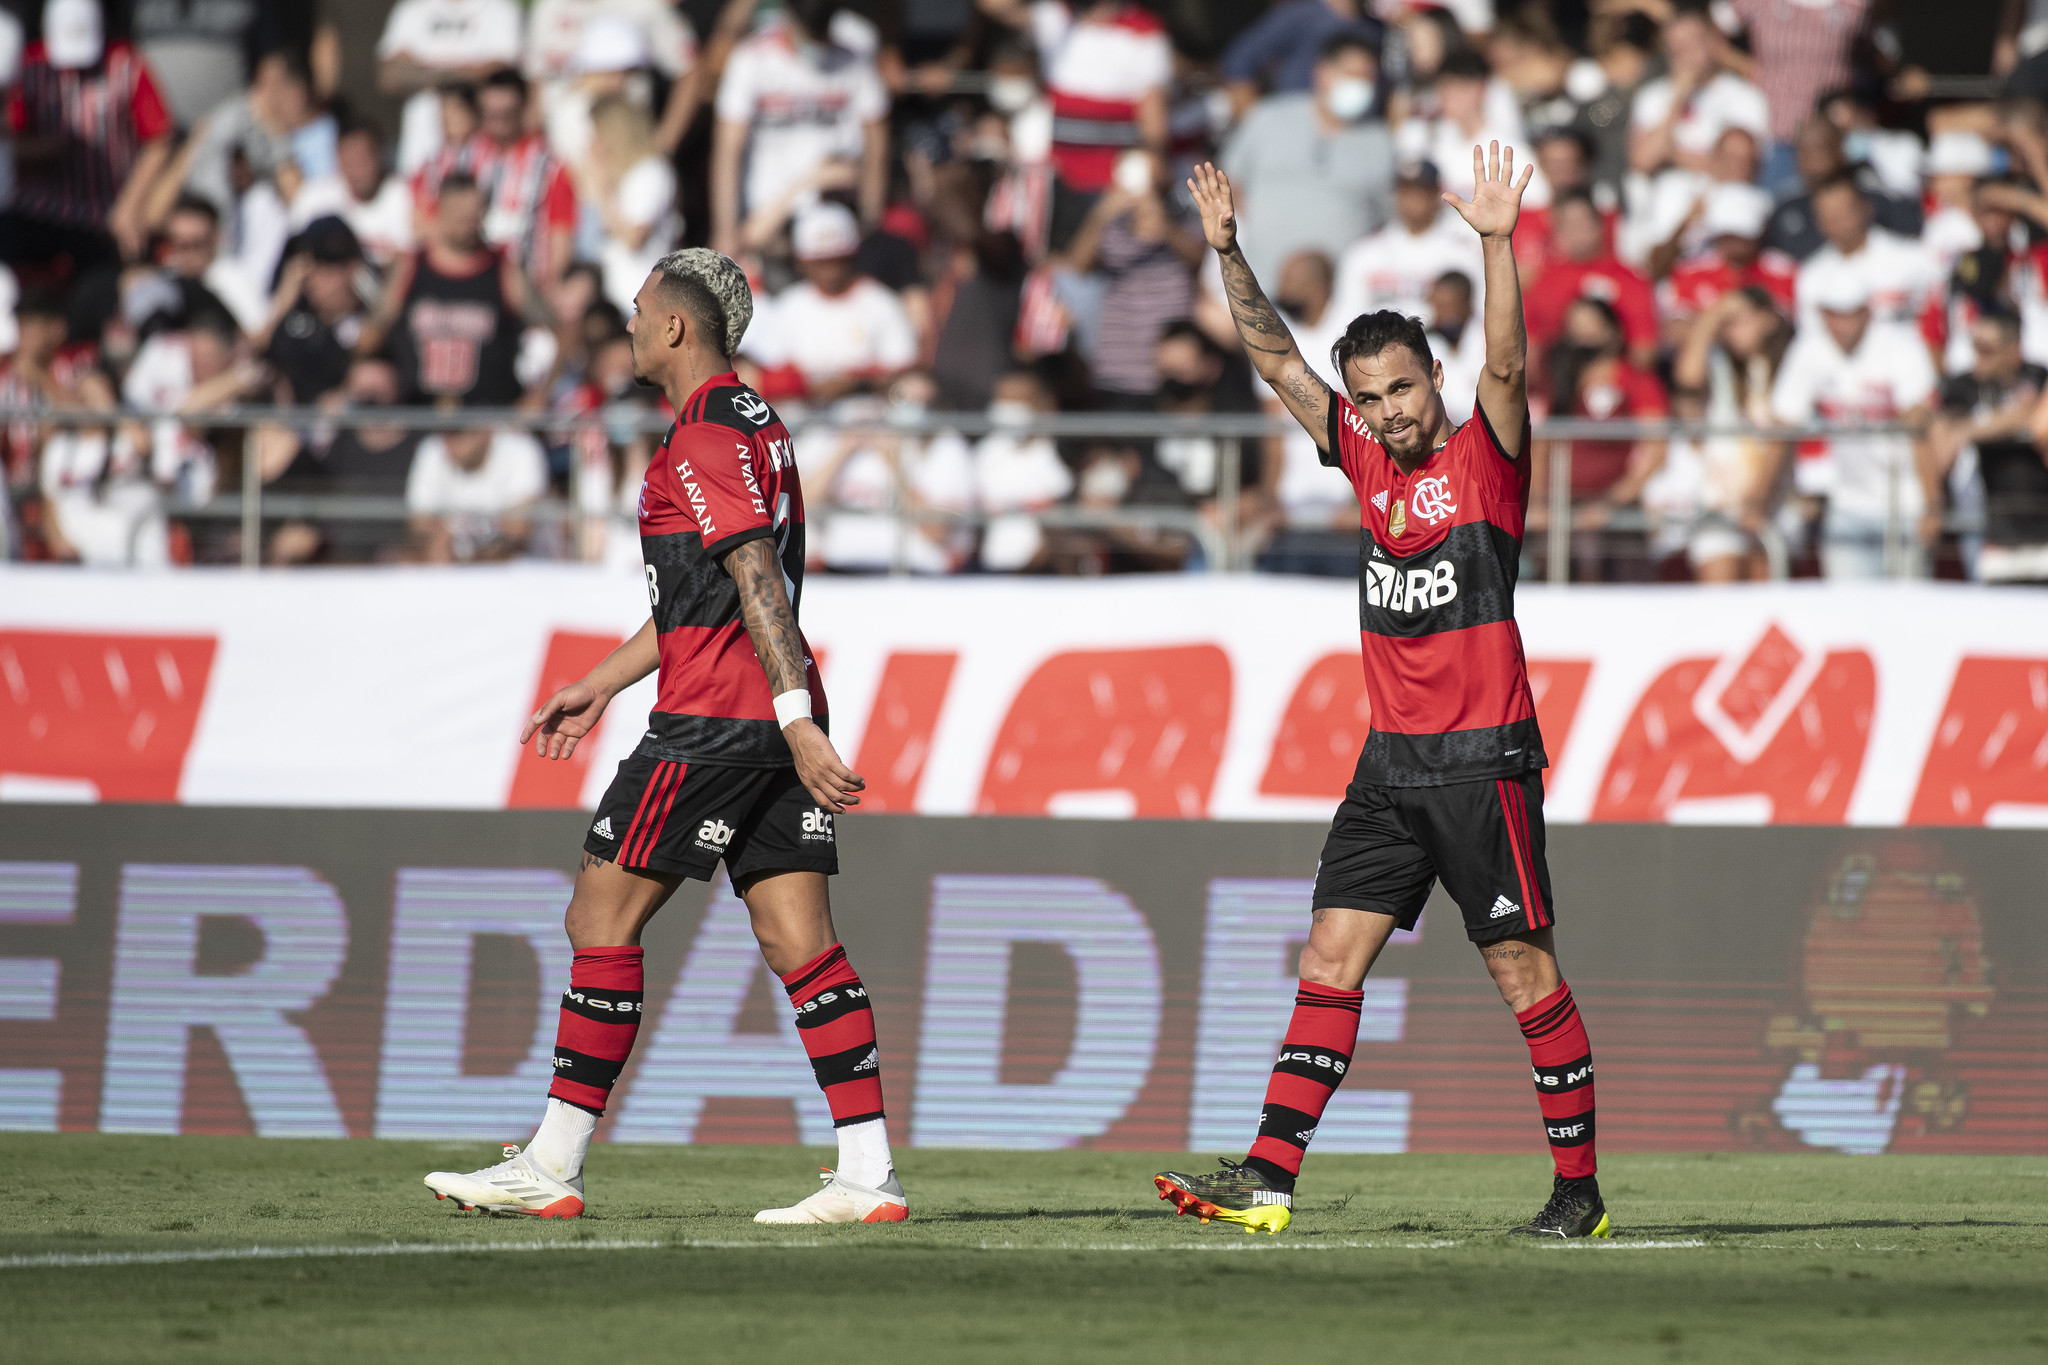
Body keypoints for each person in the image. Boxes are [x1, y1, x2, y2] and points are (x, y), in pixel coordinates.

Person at [1155, 146, 1609, 1240]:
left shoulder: (1484, 466)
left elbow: (1507, 365)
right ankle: (1266, 1181)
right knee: (1327, 958)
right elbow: (1274, 360)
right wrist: (1227, 252)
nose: (1387, 410)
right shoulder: (1364, 463)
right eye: (1369, 397)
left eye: (1402, 388)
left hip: (1481, 761)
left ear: (1433, 383)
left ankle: (1578, 1191)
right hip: (1387, 768)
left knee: (1519, 969)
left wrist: (1496, 243)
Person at [422, 247, 908, 1226]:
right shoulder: (756, 427)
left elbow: (757, 579)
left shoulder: (699, 442)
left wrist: (794, 721)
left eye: (641, 309)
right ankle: (867, 1175)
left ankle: (551, 1165)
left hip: (719, 724)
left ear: (677, 328)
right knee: (798, 939)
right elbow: (712, 593)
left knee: (598, 921)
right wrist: (597, 685)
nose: (631, 322)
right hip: (767, 711)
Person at [1769, 270, 1938, 579]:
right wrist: (1758, 499)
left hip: (1904, 502)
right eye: (1832, 316)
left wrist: (1932, 505)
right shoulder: (1811, 348)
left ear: (1866, 312)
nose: (1840, 326)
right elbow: (1782, 424)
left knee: (1907, 614)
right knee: (1848, 612)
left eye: (1848, 315)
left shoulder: (1902, 347)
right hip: (1847, 502)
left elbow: (1920, 432)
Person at [1, 0, 174, 272]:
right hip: (44, 208)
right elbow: (10, 140)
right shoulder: (30, 67)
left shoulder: (126, 64)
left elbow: (159, 139)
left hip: (110, 209)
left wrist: (132, 204)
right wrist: (49, 149)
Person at [710, 0, 888, 256]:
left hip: (837, 220)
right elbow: (727, 150)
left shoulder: (854, 62)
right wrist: (725, 231)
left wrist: (871, 220)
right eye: (809, 32)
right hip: (771, 224)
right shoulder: (751, 59)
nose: (816, 41)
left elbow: (876, 144)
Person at [1219, 31, 1394, 286]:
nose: (1360, 84)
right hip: (1258, 285)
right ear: (1322, 72)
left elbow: (1383, 217)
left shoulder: (1380, 141)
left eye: (1367, 77)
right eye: (1351, 74)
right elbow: (1229, 182)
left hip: (1336, 301)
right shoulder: (1268, 117)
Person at [360, 173, 541, 407]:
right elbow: (371, 335)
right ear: (441, 211)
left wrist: (539, 396)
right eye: (460, 215)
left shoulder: (504, 269)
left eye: (474, 215)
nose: (468, 223)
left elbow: (561, 331)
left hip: (486, 419)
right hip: (417, 415)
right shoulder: (409, 266)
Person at [415, 68, 578, 291]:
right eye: (491, 114)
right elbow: (429, 220)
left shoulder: (549, 166)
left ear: (523, 108)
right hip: (464, 280)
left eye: (506, 114)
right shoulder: (458, 157)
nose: (498, 123)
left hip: (526, 286)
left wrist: (547, 289)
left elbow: (560, 237)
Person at [1937, 312, 2048, 582]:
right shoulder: (1963, 386)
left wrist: (1971, 430)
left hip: (2043, 529)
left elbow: (2032, 418)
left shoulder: (2038, 376)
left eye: (1986, 349)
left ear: (2012, 351)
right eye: (1974, 346)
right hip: (1992, 533)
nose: (1977, 357)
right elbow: (1941, 438)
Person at [773, 201, 917, 400]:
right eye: (820, 262)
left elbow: (905, 369)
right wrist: (809, 387)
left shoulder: (880, 301)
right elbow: (770, 376)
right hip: (804, 418)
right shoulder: (788, 306)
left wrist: (853, 383)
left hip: (871, 416)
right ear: (801, 262)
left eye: (838, 259)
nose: (830, 270)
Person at [1328, 159, 1483, 334]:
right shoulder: (1363, 253)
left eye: (1419, 191)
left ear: (1436, 194)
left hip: (1442, 353)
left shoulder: (1463, 253)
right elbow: (1346, 317)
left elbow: (1478, 320)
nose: (1411, 200)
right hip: (1377, 350)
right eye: (1404, 191)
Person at [376, 0, 525, 175]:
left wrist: (421, 67)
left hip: (483, 154)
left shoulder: (501, 9)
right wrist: (468, 71)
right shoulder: (413, 9)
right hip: (420, 151)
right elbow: (389, 76)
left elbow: (501, 72)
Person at [405, 422, 550, 561]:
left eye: (458, 434)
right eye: (445, 434)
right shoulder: (433, 448)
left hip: (520, 570)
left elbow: (518, 532)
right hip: (452, 568)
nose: (448, 444)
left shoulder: (520, 447)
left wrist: (467, 554)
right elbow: (420, 526)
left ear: (484, 431)